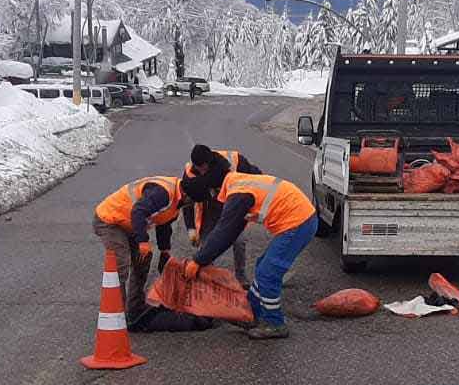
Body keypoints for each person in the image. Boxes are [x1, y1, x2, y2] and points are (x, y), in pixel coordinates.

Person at [184, 172, 317, 340]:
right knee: (262, 266)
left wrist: (198, 260)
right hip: (300, 218)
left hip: (298, 223)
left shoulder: (237, 196)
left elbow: (224, 233)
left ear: (212, 192)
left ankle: (275, 324)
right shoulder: (235, 181)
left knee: (268, 273)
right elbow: (231, 231)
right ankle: (251, 310)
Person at [92, 175, 187, 315]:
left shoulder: (177, 201)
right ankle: (116, 312)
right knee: (120, 263)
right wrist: (142, 241)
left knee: (143, 259)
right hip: (110, 220)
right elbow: (138, 211)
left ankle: (135, 308)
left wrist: (164, 251)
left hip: (128, 223)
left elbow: (163, 224)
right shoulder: (163, 193)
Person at [180, 144, 260, 284]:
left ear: (209, 163)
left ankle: (240, 278)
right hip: (210, 207)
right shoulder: (190, 175)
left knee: (239, 241)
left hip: (233, 204)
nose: (203, 172)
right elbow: (188, 201)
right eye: (200, 169)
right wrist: (191, 228)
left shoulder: (236, 162)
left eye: (205, 168)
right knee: (206, 244)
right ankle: (206, 278)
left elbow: (259, 178)